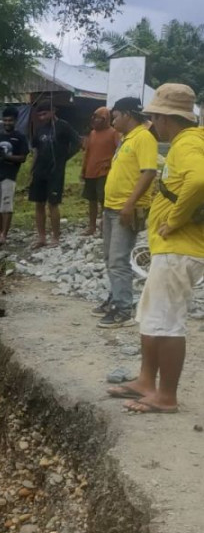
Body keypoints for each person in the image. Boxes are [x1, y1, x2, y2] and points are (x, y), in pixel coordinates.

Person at [106, 84, 204, 414]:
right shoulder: (189, 141)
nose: (151, 122)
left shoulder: (187, 144)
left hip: (179, 249)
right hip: (171, 249)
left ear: (165, 117)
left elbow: (199, 180)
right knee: (151, 316)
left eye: (153, 116)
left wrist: (174, 220)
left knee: (168, 323)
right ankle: (147, 380)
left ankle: (167, 396)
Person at [94, 97, 158, 328]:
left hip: (125, 208)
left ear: (128, 115)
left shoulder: (143, 138)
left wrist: (130, 205)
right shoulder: (126, 139)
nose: (113, 121)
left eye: (116, 117)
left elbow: (149, 172)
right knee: (111, 258)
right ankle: (116, 297)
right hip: (112, 207)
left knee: (119, 259)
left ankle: (123, 310)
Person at [28, 101, 80, 249]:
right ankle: (42, 237)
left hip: (55, 171)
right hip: (40, 171)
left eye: (45, 114)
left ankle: (55, 237)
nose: (43, 117)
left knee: (53, 203)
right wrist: (32, 171)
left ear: (53, 111)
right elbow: (36, 151)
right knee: (39, 204)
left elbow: (77, 143)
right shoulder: (39, 129)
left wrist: (64, 157)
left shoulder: (63, 126)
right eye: (40, 115)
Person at [0, 107, 28, 246]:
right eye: (5, 120)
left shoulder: (20, 137)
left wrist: (7, 157)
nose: (7, 123)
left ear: (15, 121)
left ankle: (4, 235)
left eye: (10, 120)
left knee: (6, 206)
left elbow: (23, 158)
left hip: (9, 175)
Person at [80, 106, 120, 236]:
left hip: (104, 172)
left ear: (106, 119)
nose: (96, 120)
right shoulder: (92, 133)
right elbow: (87, 153)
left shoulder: (114, 133)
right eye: (95, 117)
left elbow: (118, 151)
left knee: (103, 200)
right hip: (90, 172)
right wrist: (83, 170)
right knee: (91, 200)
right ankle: (91, 226)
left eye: (99, 118)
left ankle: (105, 227)